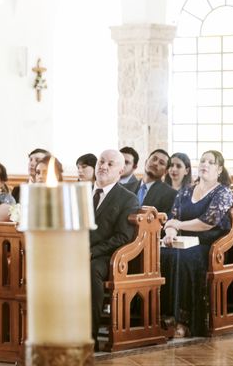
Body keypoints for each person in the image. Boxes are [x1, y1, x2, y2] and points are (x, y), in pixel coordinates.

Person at [161, 150, 233, 338]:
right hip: (182, 241)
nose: (205, 164)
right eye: (203, 160)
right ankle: (164, 316)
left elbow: (208, 222)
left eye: (211, 162)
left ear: (219, 169)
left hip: (211, 246)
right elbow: (172, 218)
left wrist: (179, 225)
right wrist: (170, 233)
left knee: (185, 257)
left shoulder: (223, 192)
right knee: (160, 254)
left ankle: (184, 320)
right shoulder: (185, 191)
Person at [90, 149, 139, 350]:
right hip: (72, 250)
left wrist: (91, 252)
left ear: (120, 171)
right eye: (101, 161)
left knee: (90, 271)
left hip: (107, 256)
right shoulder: (80, 192)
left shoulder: (127, 199)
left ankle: (88, 337)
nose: (103, 166)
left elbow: (123, 237)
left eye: (110, 164)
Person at [130, 149, 177, 215]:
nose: (155, 163)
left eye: (161, 163)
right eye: (154, 159)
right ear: (146, 162)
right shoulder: (126, 187)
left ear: (166, 171)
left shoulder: (171, 194)